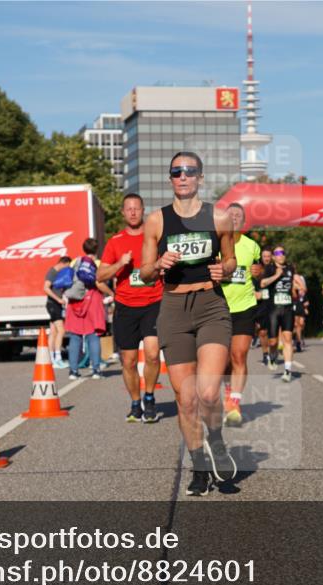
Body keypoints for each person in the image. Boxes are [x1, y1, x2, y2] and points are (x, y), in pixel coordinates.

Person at [139, 151, 237, 496]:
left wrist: (224, 270)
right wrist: (158, 264)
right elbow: (144, 272)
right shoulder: (156, 221)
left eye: (190, 171)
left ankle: (218, 440)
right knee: (186, 397)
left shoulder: (220, 217)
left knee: (208, 392)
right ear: (170, 179)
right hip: (174, 307)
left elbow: (231, 260)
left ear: (200, 177)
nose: (183, 177)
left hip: (210, 305)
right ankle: (199, 467)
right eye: (176, 172)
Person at [98, 193, 164, 423]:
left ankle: (149, 397)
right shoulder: (115, 241)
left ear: (143, 210)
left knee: (153, 355)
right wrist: (120, 264)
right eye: (129, 208)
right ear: (123, 213)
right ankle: (135, 403)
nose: (133, 212)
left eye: (137, 208)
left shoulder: (155, 236)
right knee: (129, 360)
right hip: (126, 306)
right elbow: (100, 276)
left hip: (153, 302)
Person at [220, 202, 263, 426]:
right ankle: (228, 392)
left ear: (244, 221)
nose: (235, 218)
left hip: (245, 306)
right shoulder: (215, 243)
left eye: (239, 215)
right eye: (231, 215)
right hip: (218, 306)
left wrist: (260, 271)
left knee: (239, 354)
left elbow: (258, 270)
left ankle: (234, 403)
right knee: (224, 360)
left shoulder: (251, 246)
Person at [66, 238, 107, 380]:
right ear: (96, 249)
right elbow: (99, 283)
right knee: (93, 336)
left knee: (75, 337)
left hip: (75, 300)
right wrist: (112, 293)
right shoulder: (98, 263)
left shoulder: (74, 262)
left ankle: (73, 370)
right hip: (92, 300)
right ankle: (96, 370)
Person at [261, 245, 299, 383]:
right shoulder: (269, 268)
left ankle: (288, 370)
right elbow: (263, 283)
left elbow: (292, 283)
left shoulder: (290, 268)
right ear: (273, 256)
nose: (281, 255)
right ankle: (273, 355)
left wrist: (297, 286)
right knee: (273, 342)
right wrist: (276, 275)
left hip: (288, 308)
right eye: (277, 253)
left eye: (283, 252)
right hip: (273, 309)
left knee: (288, 338)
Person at [44, 256, 72, 368]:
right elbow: (46, 288)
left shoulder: (57, 273)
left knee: (53, 332)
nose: (67, 269)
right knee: (61, 330)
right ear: (64, 263)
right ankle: (58, 358)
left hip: (55, 305)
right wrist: (58, 299)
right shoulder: (52, 272)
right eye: (67, 266)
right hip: (53, 304)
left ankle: (51, 359)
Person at [255, 247, 275, 368]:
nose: (266, 258)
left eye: (268, 256)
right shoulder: (258, 269)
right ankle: (265, 354)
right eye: (264, 256)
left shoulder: (275, 269)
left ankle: (274, 351)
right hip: (261, 303)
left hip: (274, 303)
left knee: (274, 330)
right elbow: (250, 282)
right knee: (262, 332)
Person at [292, 268, 308, 353]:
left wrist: (299, 287)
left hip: (299, 303)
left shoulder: (299, 278)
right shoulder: (287, 277)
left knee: (300, 324)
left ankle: (298, 342)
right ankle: (294, 340)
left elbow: (304, 290)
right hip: (292, 302)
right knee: (294, 323)